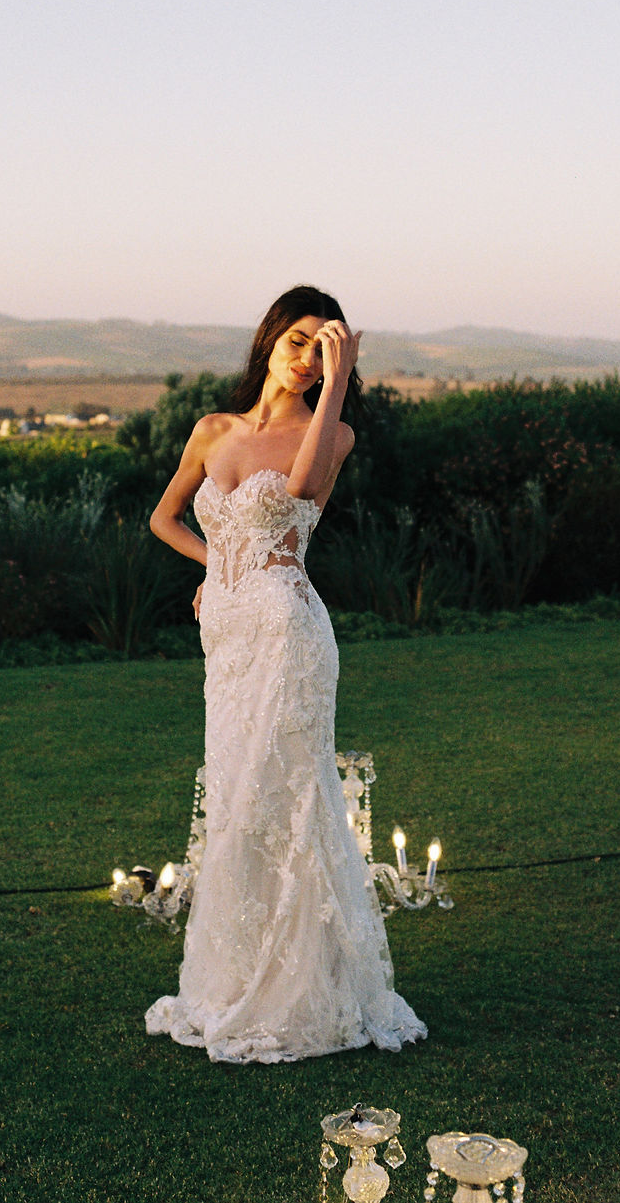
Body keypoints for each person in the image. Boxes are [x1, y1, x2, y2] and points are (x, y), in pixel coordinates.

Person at [144, 285, 427, 1063]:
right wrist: (221, 566)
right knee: (237, 799)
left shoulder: (332, 435)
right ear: (269, 338)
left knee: (290, 799)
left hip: (289, 635)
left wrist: (339, 378)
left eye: (322, 347)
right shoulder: (212, 429)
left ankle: (302, 993)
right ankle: (230, 980)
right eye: (297, 340)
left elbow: (297, 491)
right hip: (228, 641)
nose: (305, 358)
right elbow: (164, 518)